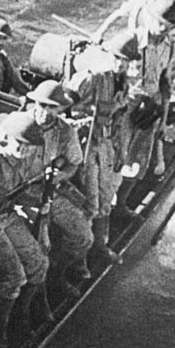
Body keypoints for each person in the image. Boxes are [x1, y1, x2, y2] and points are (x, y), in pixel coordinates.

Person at [0, 113, 51, 348]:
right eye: (20, 145)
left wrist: (42, 204)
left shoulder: (22, 160)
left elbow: (15, 193)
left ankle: (22, 313)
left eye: (30, 148)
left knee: (39, 263)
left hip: (7, 217)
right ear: (6, 138)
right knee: (16, 276)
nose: (25, 151)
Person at [64, 31, 141, 263]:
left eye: (125, 61)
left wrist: (121, 151)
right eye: (117, 58)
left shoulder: (123, 84)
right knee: (90, 203)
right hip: (85, 146)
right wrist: (78, 122)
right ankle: (78, 261)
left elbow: (119, 118)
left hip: (106, 145)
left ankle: (99, 245)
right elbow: (64, 105)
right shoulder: (91, 78)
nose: (120, 64)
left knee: (107, 195)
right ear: (108, 55)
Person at [13, 80, 93, 298]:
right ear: (34, 103)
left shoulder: (65, 132)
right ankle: (31, 293)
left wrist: (61, 175)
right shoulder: (17, 122)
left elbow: (74, 163)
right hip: (16, 196)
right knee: (34, 251)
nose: (46, 112)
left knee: (84, 237)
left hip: (48, 193)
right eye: (42, 105)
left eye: (52, 107)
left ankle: (58, 275)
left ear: (60, 108)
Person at [114, 0, 175, 218]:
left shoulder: (171, 48)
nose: (163, 29)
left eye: (169, 26)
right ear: (150, 18)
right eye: (160, 23)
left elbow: (166, 84)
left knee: (138, 164)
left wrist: (163, 120)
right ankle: (103, 209)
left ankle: (120, 206)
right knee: (116, 159)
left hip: (149, 111)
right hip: (124, 107)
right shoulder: (130, 40)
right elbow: (110, 75)